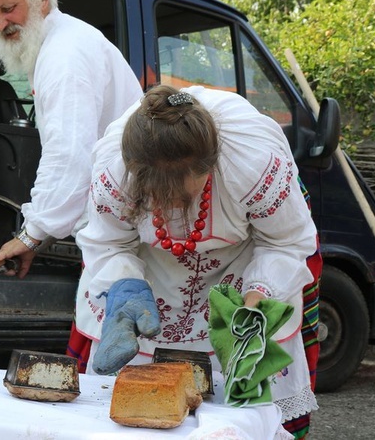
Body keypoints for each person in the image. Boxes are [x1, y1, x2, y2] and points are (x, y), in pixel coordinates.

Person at [74, 84, 319, 438]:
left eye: (183, 193)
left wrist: (254, 308)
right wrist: (123, 287)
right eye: (159, 193)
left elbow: (284, 241)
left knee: (240, 414)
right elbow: (108, 241)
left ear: (211, 166)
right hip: (153, 274)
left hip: (240, 268)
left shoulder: (252, 163)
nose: (173, 206)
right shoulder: (115, 172)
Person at [0, 0, 144, 278]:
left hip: (123, 231)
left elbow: (68, 153)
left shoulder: (65, 54)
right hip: (113, 228)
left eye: (8, 9)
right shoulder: (53, 45)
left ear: (42, 1)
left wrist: (33, 233)